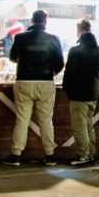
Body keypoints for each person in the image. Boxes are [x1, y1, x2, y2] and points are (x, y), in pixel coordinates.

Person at [4, 10, 65, 166]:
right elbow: (60, 63)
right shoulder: (54, 39)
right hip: (45, 82)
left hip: (24, 80)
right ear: (45, 21)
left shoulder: (20, 37)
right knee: (46, 120)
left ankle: (16, 155)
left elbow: (12, 57)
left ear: (32, 21)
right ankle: (50, 155)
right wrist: (50, 72)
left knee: (22, 120)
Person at [63, 19, 99, 166]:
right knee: (88, 125)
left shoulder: (75, 50)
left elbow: (70, 73)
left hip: (78, 93)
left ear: (79, 31)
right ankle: (90, 153)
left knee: (79, 126)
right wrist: (96, 86)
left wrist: (67, 89)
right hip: (93, 93)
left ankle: (83, 155)